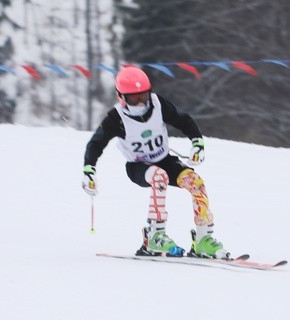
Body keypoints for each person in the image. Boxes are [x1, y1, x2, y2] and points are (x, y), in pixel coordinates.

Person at [82, 66, 229, 259]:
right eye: (134, 98)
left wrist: (197, 143)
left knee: (196, 182)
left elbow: (183, 120)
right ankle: (155, 235)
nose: (141, 102)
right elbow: (96, 143)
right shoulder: (116, 118)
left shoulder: (158, 104)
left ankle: (203, 239)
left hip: (165, 160)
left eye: (143, 95)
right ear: (122, 97)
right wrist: (89, 171)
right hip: (138, 167)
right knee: (160, 177)